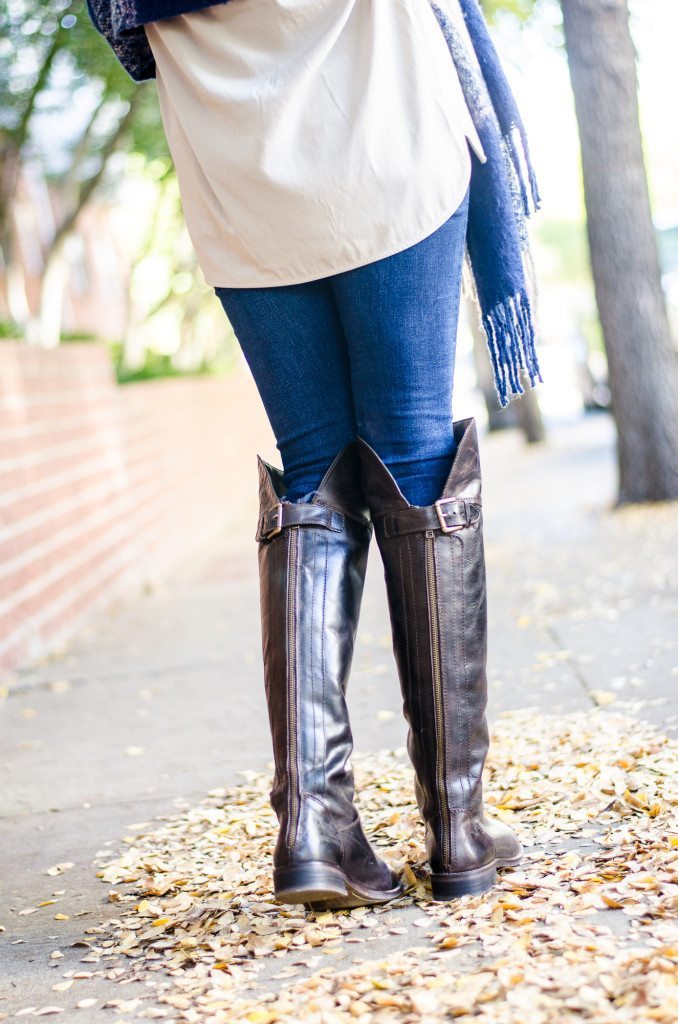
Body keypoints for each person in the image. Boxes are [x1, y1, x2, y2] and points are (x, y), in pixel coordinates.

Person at [85, 0, 542, 908]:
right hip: (374, 95)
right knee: (413, 451)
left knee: (312, 472)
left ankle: (315, 828)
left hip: (230, 126)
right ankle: (455, 829)